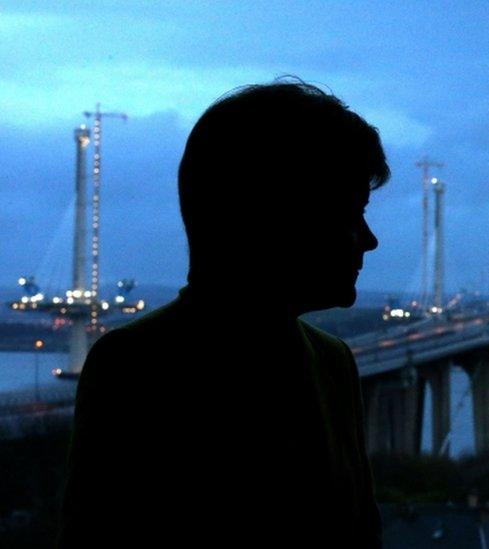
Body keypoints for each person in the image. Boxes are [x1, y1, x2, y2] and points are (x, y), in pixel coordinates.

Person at [58, 79, 389, 547]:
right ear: (279, 216)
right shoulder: (137, 368)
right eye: (350, 213)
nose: (368, 238)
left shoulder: (335, 362)